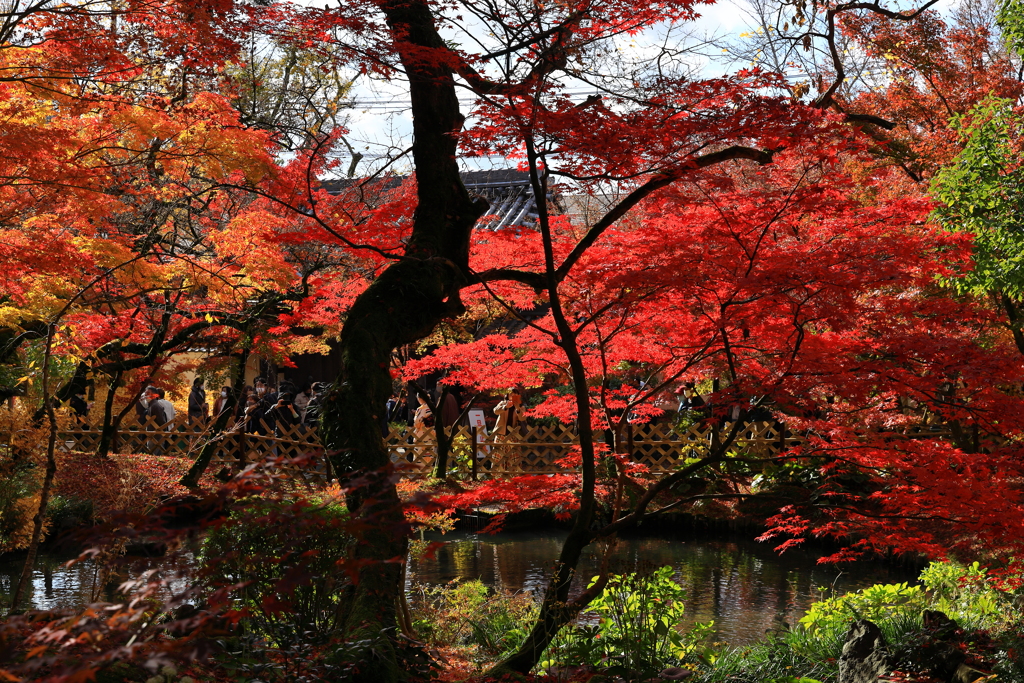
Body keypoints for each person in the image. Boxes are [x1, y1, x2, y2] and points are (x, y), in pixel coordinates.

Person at [492, 389, 525, 473]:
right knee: (498, 456)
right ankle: (497, 476)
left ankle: (514, 476)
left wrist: (517, 408)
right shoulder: (503, 403)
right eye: (511, 394)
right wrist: (505, 407)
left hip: (513, 435)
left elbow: (522, 418)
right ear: (507, 395)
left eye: (515, 395)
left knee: (514, 457)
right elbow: (495, 411)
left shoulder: (522, 406)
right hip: (500, 433)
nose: (512, 396)